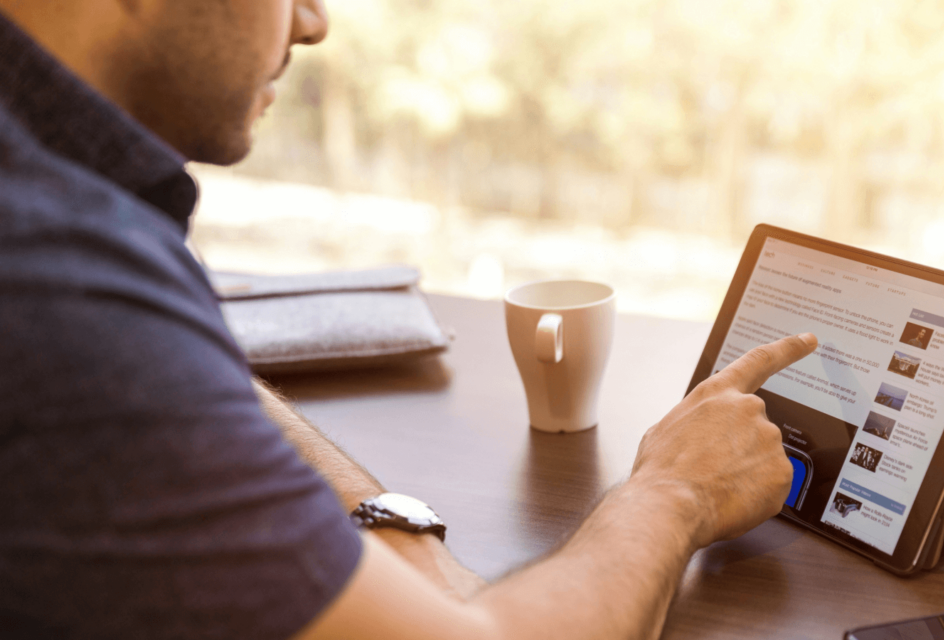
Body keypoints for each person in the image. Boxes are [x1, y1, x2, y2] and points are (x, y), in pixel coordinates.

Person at [0, 1, 818, 638]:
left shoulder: (62, 221)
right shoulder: (51, 276)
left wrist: (397, 536)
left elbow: (170, 377)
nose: (314, 24)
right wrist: (675, 490)